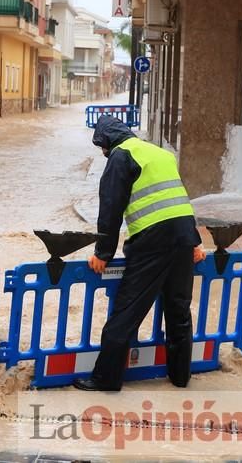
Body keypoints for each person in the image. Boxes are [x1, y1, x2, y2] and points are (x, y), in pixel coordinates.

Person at [73, 115, 206, 392]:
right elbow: (179, 199)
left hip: (153, 241)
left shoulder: (121, 156)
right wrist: (194, 241)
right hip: (183, 236)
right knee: (179, 309)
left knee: (127, 310)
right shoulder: (161, 154)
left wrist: (102, 253)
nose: (103, 153)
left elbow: (110, 209)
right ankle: (180, 378)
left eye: (102, 148)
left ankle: (106, 379)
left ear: (108, 142)